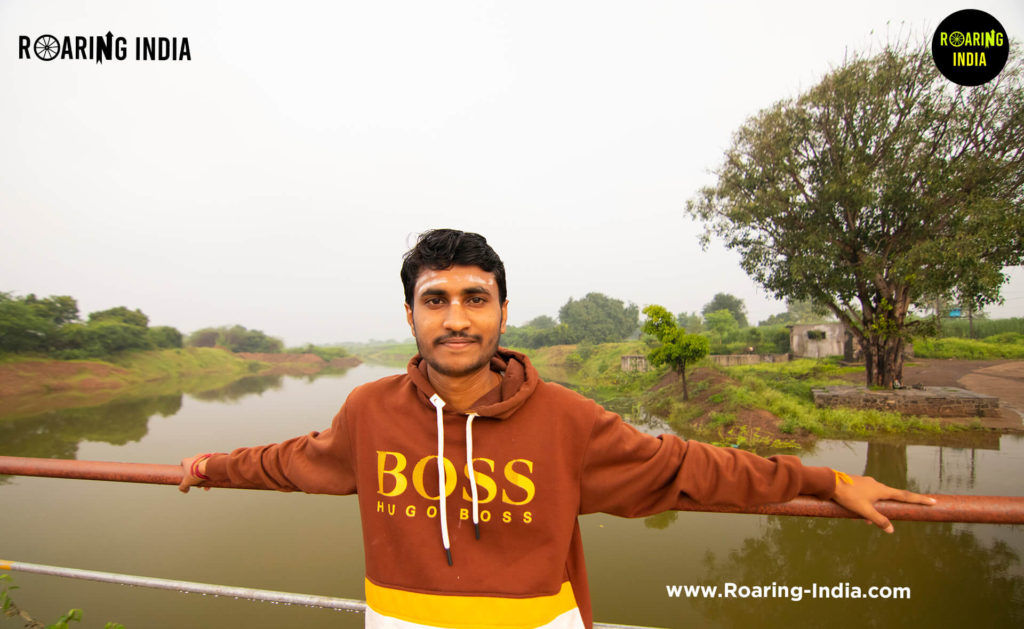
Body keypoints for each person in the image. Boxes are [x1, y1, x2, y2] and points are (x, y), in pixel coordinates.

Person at [179, 228, 935, 629]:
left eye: (475, 297)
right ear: (408, 315)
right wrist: (212, 465)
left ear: (503, 311)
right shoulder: (369, 412)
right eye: (434, 299)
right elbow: (293, 459)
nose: (455, 318)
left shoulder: (568, 419)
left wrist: (825, 478)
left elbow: (687, 467)